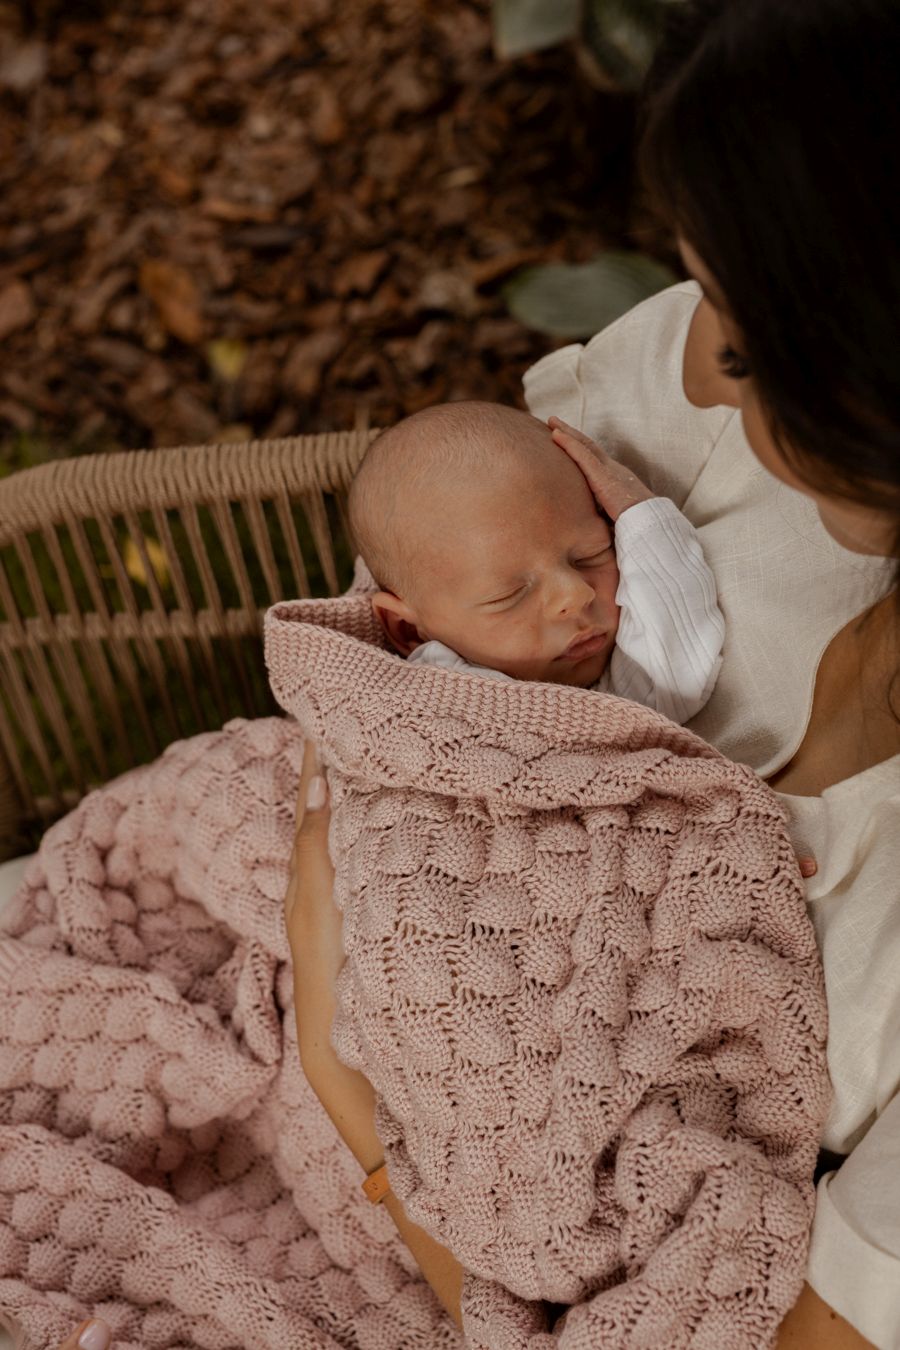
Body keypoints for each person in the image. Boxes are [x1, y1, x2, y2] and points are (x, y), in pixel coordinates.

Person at [53, 0, 900, 1345]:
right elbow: (460, 554)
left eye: (746, 348)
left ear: (860, 361)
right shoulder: (732, 414)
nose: (708, 374)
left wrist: (349, 1079)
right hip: (269, 922)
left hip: (441, 1224)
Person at [350, 398, 725, 722]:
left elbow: (676, 677)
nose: (575, 595)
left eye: (591, 554)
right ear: (409, 631)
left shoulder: (618, 697)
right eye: (510, 594)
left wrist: (637, 512)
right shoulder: (437, 697)